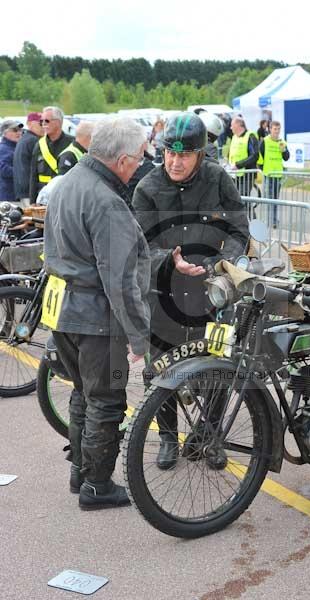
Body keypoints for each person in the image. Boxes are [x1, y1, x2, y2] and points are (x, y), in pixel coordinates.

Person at [44, 116, 151, 510]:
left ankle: (81, 473)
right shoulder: (107, 202)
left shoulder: (68, 183)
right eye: (139, 157)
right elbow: (119, 279)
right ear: (122, 160)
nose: (141, 164)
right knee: (106, 400)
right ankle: (97, 486)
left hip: (64, 310)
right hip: (95, 317)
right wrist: (139, 336)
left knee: (82, 393)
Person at [133, 111, 249, 471]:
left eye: (184, 155)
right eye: (170, 152)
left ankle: (208, 435)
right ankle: (168, 437)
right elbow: (140, 247)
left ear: (201, 154)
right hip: (164, 294)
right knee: (161, 370)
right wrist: (170, 260)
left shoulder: (217, 179)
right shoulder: (147, 188)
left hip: (211, 294)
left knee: (217, 368)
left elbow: (239, 229)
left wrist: (224, 263)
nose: (175, 161)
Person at [29, 106, 73, 203]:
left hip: (64, 198)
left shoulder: (71, 143)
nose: (43, 124)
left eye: (47, 121)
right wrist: (32, 202)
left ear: (58, 122)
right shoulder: (39, 144)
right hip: (43, 198)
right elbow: (33, 175)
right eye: (41, 121)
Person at [257, 121, 290, 227]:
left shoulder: (282, 142)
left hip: (278, 175)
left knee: (275, 199)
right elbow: (260, 156)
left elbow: (286, 157)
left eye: (278, 129)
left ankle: (274, 220)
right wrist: (263, 169)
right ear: (270, 129)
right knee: (269, 198)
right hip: (268, 175)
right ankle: (271, 221)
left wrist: (283, 150)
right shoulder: (265, 141)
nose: (277, 131)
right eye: (275, 129)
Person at [13, 112, 43, 207]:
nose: (43, 126)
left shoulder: (25, 139)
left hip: (23, 189)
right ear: (30, 124)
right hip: (29, 191)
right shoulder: (33, 141)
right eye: (40, 123)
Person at [228, 116, 259, 196]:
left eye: (232, 125)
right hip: (234, 174)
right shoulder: (234, 137)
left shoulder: (250, 136)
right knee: (235, 198)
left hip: (247, 174)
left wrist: (238, 165)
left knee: (243, 198)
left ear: (238, 125)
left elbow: (255, 156)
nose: (230, 128)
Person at [0, 119, 23, 201]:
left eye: (20, 130)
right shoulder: (3, 149)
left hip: (15, 194)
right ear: (4, 133)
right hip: (7, 197)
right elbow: (3, 170)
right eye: (15, 130)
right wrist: (24, 173)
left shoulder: (16, 147)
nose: (19, 133)